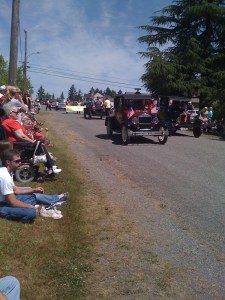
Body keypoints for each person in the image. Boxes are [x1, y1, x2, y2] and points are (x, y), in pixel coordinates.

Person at [0, 149, 69, 222]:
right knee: (31, 213)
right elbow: (13, 202)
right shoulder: (5, 177)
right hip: (2, 204)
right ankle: (43, 209)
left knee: (32, 196)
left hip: (5, 199)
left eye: (20, 160)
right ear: (8, 162)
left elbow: (16, 190)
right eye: (17, 161)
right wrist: (31, 207)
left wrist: (33, 190)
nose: (20, 163)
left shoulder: (8, 172)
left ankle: (56, 199)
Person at [2, 104, 62, 174]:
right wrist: (32, 141)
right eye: (16, 112)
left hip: (18, 144)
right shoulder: (11, 122)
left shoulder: (7, 121)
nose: (18, 113)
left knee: (40, 145)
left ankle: (50, 165)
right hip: (19, 145)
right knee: (40, 145)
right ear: (10, 113)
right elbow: (21, 136)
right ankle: (50, 166)